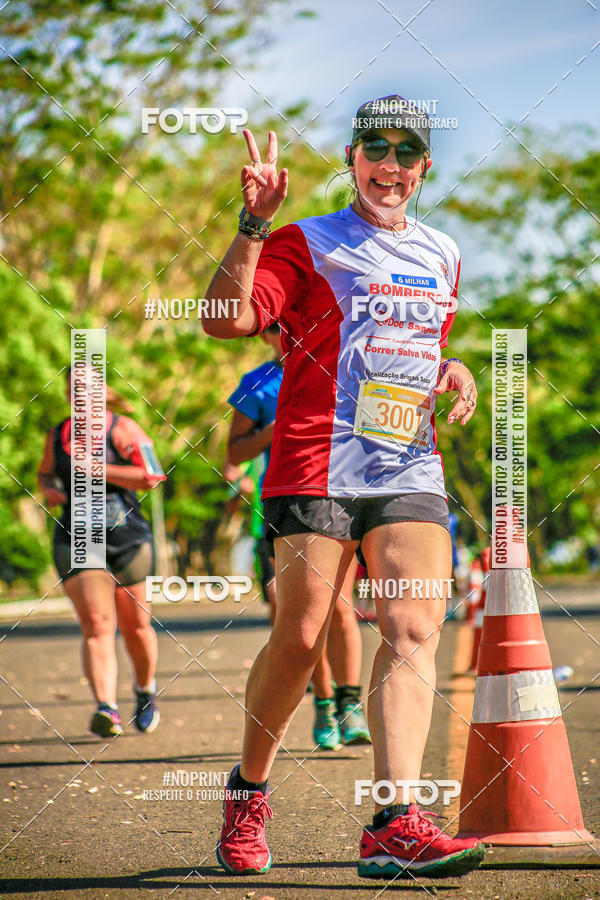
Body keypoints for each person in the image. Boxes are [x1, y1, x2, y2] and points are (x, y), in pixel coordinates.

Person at [203, 94, 484, 879]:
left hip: (406, 466)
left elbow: (409, 347)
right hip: (313, 462)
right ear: (353, 158)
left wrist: (450, 368)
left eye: (405, 152)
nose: (388, 165)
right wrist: (252, 222)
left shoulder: (443, 253)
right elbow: (223, 320)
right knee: (299, 640)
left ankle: (395, 822)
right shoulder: (306, 241)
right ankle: (248, 789)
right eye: (375, 149)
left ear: (425, 167)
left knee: (413, 627)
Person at [226, 324, 370, 749]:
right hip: (288, 503)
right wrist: (277, 423)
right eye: (275, 328)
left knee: (340, 607)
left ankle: (349, 704)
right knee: (305, 617)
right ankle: (324, 702)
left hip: (343, 496)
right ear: (266, 335)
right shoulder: (258, 383)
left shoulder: (341, 370)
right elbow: (234, 453)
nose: (284, 334)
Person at [37, 367, 164, 737]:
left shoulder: (123, 430)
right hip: (77, 539)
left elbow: (152, 476)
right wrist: (50, 490)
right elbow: (45, 474)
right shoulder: (58, 435)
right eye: (73, 391)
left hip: (128, 539)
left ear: (103, 394)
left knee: (136, 626)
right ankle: (106, 709)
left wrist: (99, 469)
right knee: (97, 625)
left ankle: (145, 690)